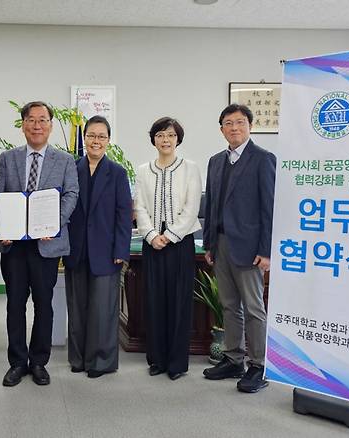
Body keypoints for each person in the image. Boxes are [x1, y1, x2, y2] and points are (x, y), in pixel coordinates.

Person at [0, 101, 78, 387]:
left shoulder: (65, 160)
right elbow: (0, 196)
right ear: (23, 125)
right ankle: (17, 362)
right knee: (15, 305)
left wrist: (52, 224)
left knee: (45, 304)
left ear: (51, 126)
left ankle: (39, 361)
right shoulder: (8, 158)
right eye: (31, 120)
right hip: (15, 246)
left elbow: (71, 195)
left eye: (43, 120)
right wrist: (2, 228)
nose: (37, 125)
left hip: (47, 244)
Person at [202, 104, 276, 393]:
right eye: (228, 123)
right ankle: (234, 359)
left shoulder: (263, 159)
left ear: (250, 126)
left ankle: (259, 365)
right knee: (229, 305)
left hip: (249, 247)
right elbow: (211, 206)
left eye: (240, 122)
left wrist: (267, 250)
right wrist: (209, 242)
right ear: (221, 129)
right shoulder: (215, 161)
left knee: (254, 307)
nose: (234, 128)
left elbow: (269, 207)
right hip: (220, 244)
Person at [63, 116, 132, 378]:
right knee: (77, 308)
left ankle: (100, 361)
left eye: (102, 136)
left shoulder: (117, 173)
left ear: (108, 141)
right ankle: (78, 358)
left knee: (103, 309)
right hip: (76, 250)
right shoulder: (71, 168)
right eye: (91, 135)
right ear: (84, 138)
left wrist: (120, 252)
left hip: (106, 251)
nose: (96, 141)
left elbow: (124, 216)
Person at [134, 117, 203, 380]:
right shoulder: (143, 170)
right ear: (153, 138)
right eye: (161, 135)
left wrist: (170, 235)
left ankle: (176, 363)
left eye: (171, 135)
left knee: (178, 302)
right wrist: (152, 235)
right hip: (152, 244)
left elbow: (192, 207)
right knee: (154, 301)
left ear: (178, 139)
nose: (166, 140)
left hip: (180, 243)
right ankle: (157, 359)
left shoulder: (190, 168)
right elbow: (139, 206)